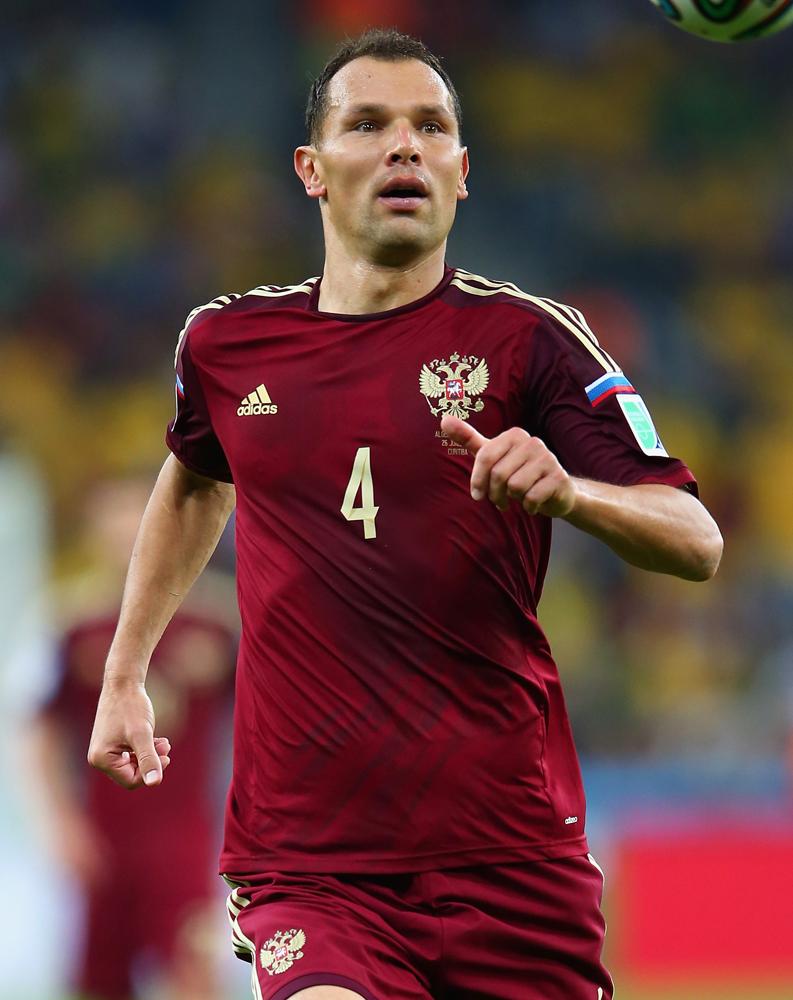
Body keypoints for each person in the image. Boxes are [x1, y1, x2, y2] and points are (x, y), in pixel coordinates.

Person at [88, 28, 723, 1000]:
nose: (403, 146)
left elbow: (695, 540)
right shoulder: (223, 345)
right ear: (311, 168)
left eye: (430, 127)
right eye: (368, 124)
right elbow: (195, 477)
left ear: (462, 173)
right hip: (308, 862)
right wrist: (125, 672)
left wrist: (570, 492)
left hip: (508, 854)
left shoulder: (530, 341)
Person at [32, 476, 237, 1000]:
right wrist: (59, 821)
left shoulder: (218, 622)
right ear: (95, 532)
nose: (128, 533)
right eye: (116, 520)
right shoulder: (72, 623)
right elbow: (40, 728)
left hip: (186, 835)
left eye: (139, 520)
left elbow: (260, 724)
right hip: (104, 836)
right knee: (100, 980)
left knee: (193, 971)